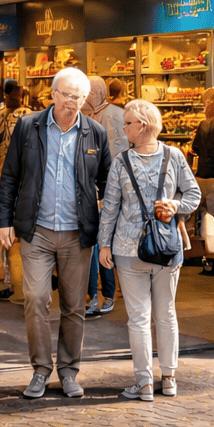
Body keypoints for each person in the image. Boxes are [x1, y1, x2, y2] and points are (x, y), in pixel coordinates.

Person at [0, 68, 111, 399]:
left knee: (75, 305)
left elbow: (107, 182)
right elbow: (10, 177)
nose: (74, 102)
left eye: (79, 97)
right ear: (54, 95)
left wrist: (108, 222)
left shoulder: (95, 133)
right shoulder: (28, 127)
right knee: (35, 299)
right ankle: (41, 370)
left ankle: (69, 370)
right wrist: (4, 220)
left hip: (77, 233)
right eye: (68, 95)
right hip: (37, 230)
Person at [97, 99, 202, 401]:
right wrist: (176, 207)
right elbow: (193, 193)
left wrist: (105, 243)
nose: (124, 127)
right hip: (167, 246)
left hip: (130, 249)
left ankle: (145, 383)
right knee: (166, 313)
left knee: (140, 318)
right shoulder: (174, 156)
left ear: (141, 126)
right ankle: (168, 378)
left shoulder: (121, 162)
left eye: (128, 123)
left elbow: (111, 208)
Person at [84, 76, 127, 317]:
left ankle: (105, 294)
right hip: (93, 192)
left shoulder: (112, 117)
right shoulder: (87, 116)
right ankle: (96, 295)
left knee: (101, 243)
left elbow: (115, 158)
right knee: (96, 243)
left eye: (89, 93)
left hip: (106, 193)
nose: (85, 98)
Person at [0, 80, 32, 300]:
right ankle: (30, 281)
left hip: (5, 180)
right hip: (30, 183)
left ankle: (16, 283)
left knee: (9, 235)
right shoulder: (35, 116)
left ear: (5, 95)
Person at [189, 86, 214, 269]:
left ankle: (206, 254)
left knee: (205, 218)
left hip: (202, 176)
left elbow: (195, 148)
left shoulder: (204, 124)